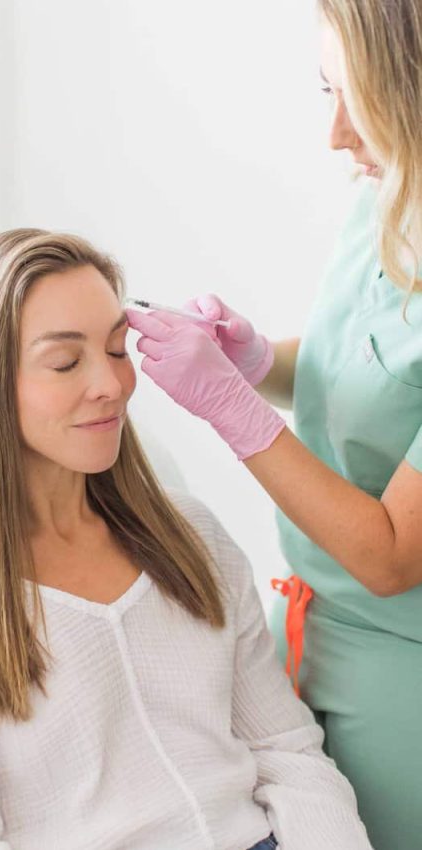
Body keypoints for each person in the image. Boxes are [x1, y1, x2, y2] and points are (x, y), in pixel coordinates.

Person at [0, 230, 372, 850]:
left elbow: (287, 751)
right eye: (66, 362)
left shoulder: (188, 535)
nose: (112, 385)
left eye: (119, 350)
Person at [126, 1, 422, 849]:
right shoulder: (388, 195)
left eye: (355, 98)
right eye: (324, 91)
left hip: (400, 664)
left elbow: (393, 553)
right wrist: (258, 361)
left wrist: (230, 404)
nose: (335, 134)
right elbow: (366, 367)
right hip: (304, 634)